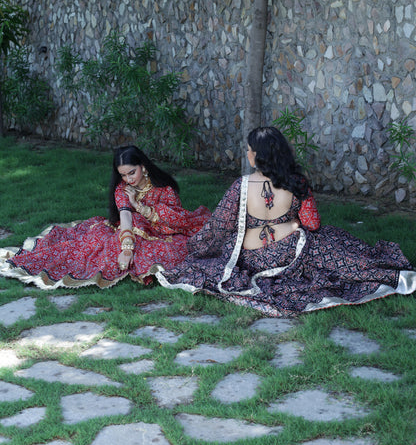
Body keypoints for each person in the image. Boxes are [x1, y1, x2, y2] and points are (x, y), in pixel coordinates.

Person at [151, 126, 416, 317]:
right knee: (339, 251)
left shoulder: (240, 186)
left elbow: (218, 227)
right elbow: (311, 224)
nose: (246, 154)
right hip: (293, 250)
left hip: (252, 257)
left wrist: (197, 247)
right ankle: (393, 276)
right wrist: (290, 226)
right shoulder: (297, 183)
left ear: (257, 155)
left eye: (248, 150)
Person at [0, 145, 211, 290]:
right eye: (123, 175)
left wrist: (141, 206)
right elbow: (127, 218)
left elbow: (177, 218)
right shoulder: (122, 189)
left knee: (182, 249)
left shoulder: (164, 188)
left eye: (131, 173)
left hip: (163, 232)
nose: (127, 179)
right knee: (90, 248)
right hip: (129, 231)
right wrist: (127, 250)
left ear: (143, 167)